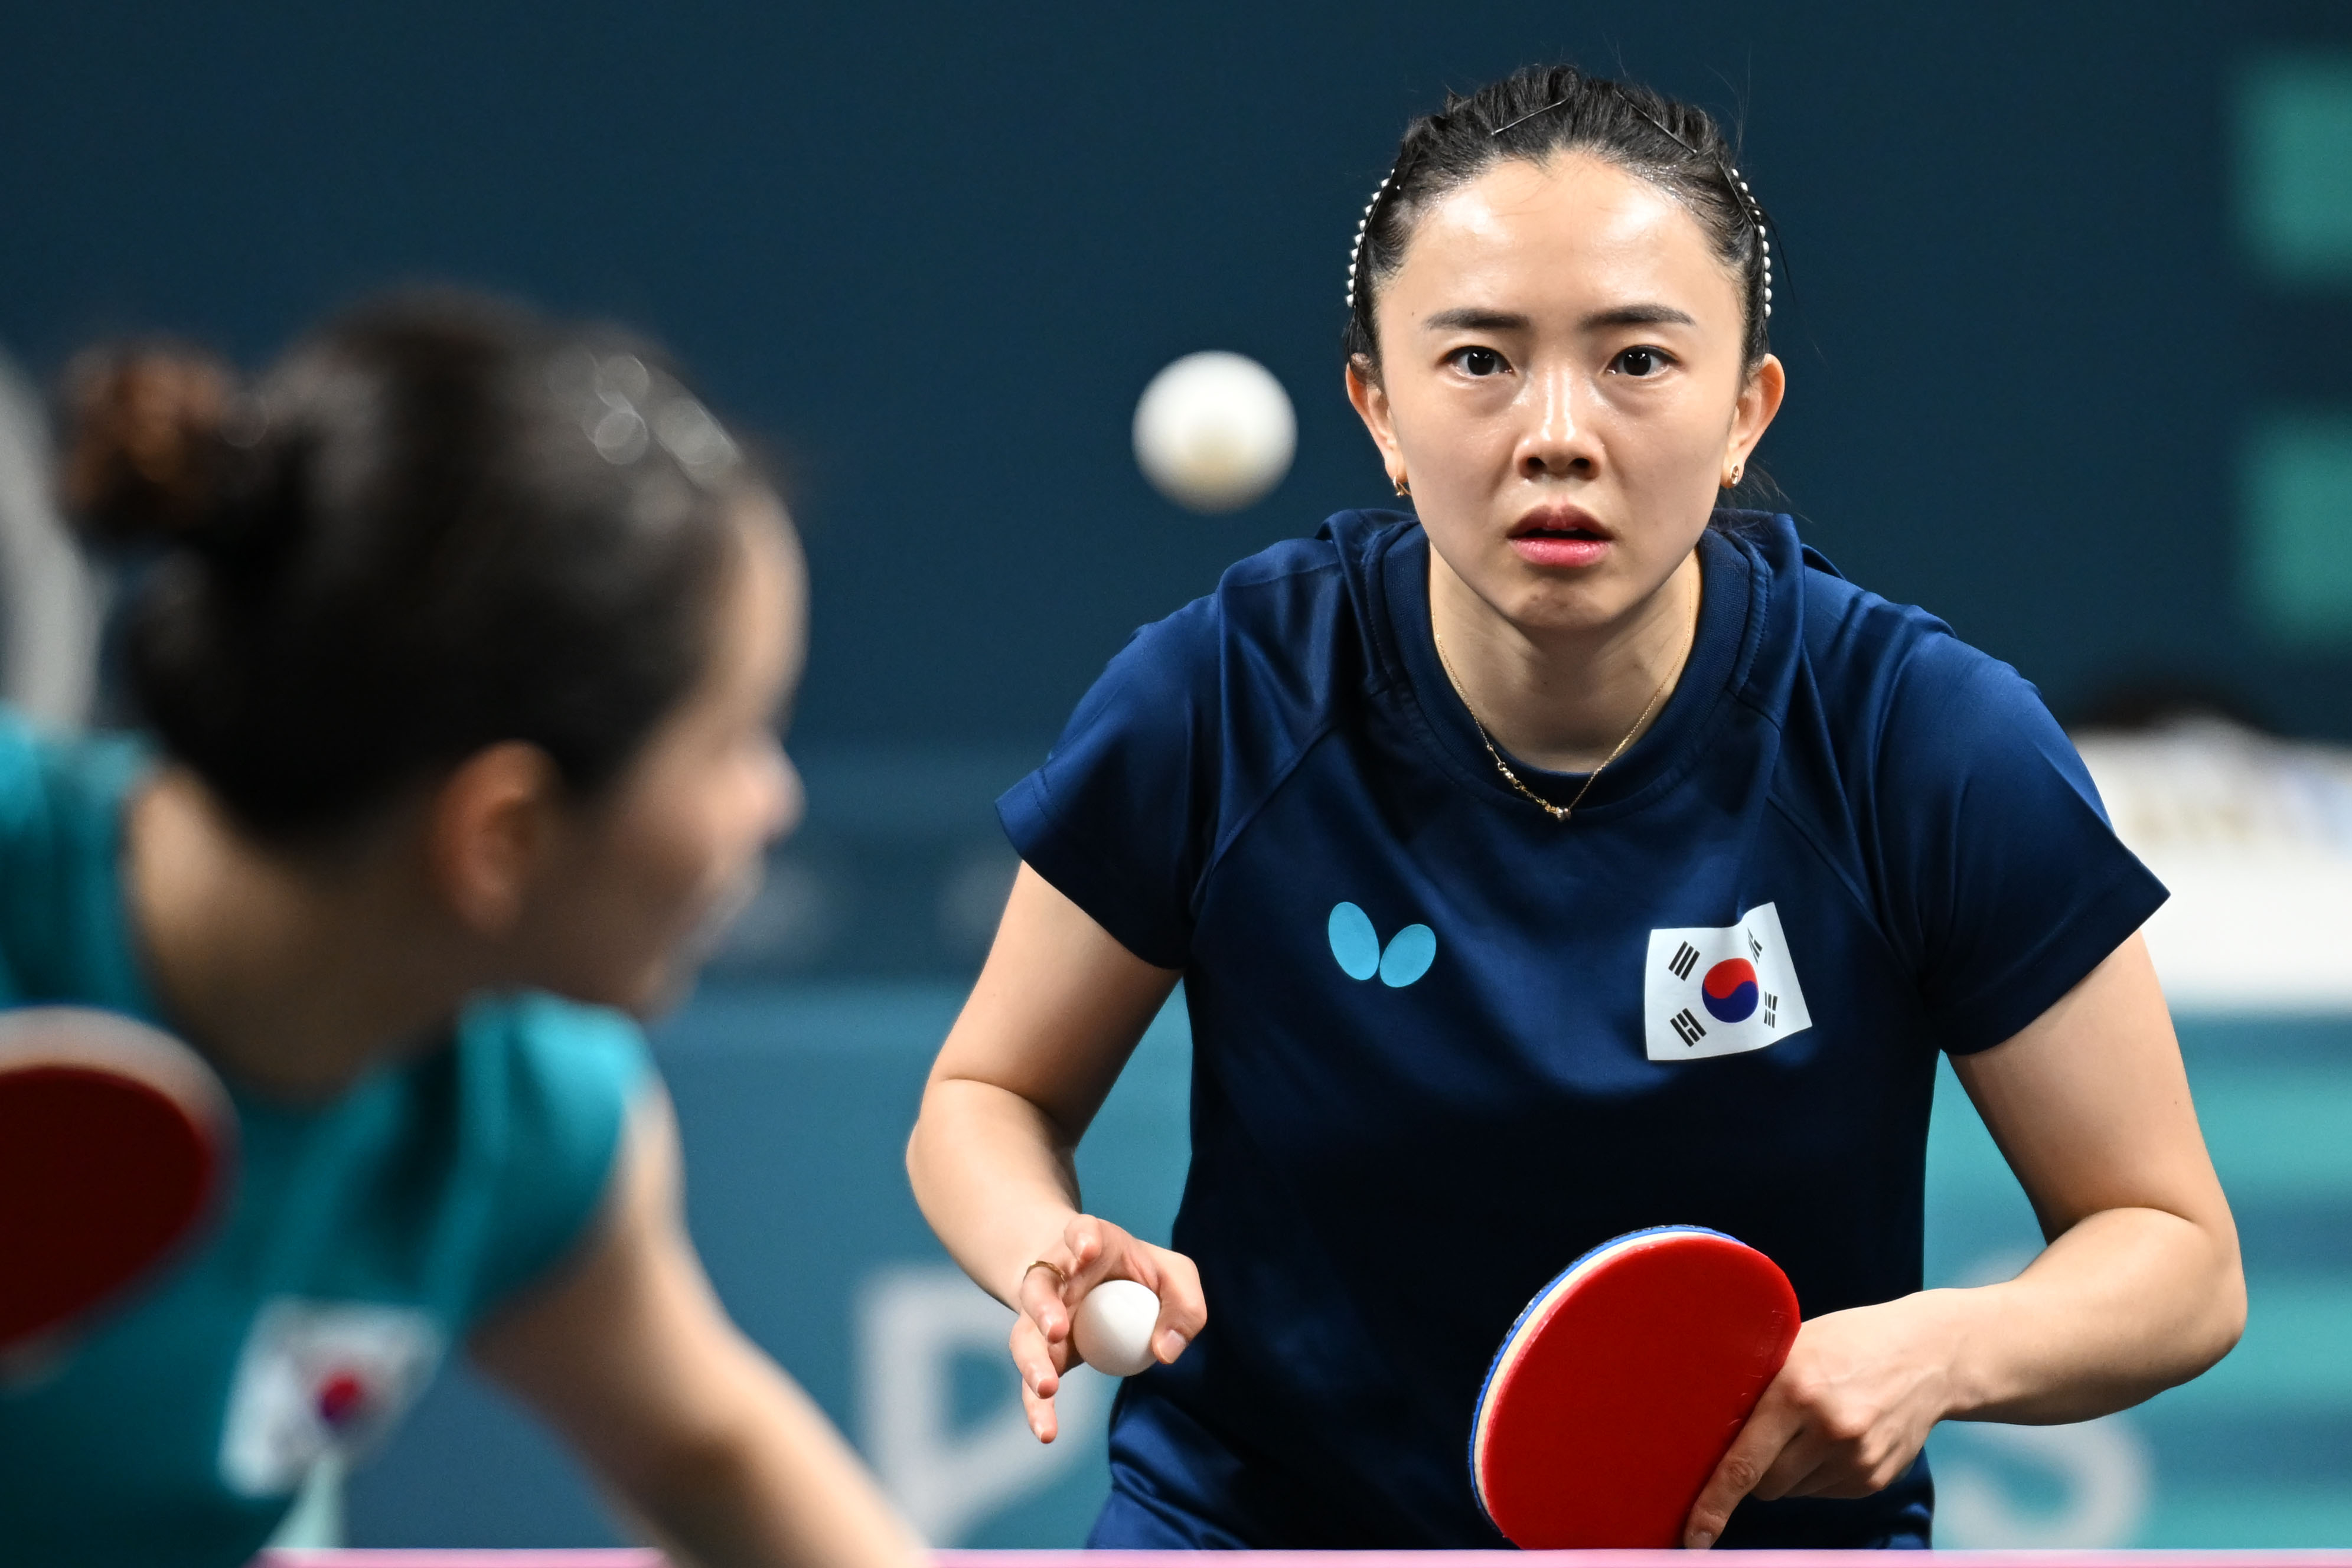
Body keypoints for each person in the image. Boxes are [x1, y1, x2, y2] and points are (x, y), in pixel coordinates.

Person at [906, 63, 2246, 1550]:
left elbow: (2177, 1255)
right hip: (1260, 1529)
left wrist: (1937, 1350)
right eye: (1478, 360)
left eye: (1637, 362)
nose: (1557, 431)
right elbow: (987, 1096)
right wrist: (1046, 1242)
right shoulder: (1226, 693)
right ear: (1379, 409)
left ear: (1747, 409)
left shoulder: (1915, 736)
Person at [0, 295, 925, 1568]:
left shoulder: (519, 1115)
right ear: (505, 834)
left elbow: (707, 1449)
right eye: (730, 742)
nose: (775, 802)